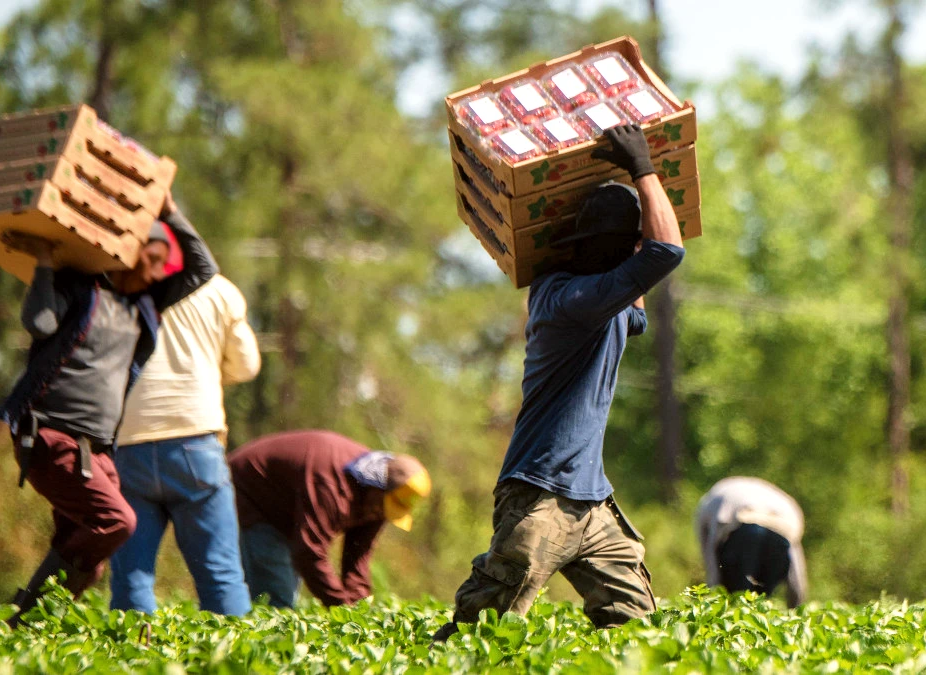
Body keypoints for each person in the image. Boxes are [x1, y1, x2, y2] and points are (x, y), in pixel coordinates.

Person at [434, 124, 685, 642]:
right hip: (540, 498)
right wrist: (642, 166)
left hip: (591, 502)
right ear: (620, 251)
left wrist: (635, 229)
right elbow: (666, 254)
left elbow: (641, 292)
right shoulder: (569, 300)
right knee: (481, 632)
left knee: (638, 628)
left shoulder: (603, 300)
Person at [0, 192, 217, 627]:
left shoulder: (145, 308)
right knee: (116, 522)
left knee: (88, 558)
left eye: (162, 264)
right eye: (151, 258)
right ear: (125, 254)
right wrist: (44, 261)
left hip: (96, 452)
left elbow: (203, 269)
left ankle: (25, 631)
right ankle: (24, 621)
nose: (157, 272)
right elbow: (39, 324)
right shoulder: (80, 289)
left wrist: (171, 210)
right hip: (50, 437)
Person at [107, 260, 262, 616]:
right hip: (194, 440)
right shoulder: (218, 289)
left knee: (132, 576)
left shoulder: (118, 285)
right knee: (220, 574)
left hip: (130, 440)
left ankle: (132, 663)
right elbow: (247, 366)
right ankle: (232, 664)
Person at [227, 430, 431, 608]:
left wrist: (359, 612)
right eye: (384, 506)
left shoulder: (376, 501)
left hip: (288, 514)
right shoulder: (332, 485)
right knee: (277, 600)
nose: (381, 514)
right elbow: (308, 552)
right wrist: (341, 607)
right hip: (250, 494)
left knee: (286, 593)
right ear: (377, 485)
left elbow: (357, 557)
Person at [694, 476, 807, 608]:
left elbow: (710, 547)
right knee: (760, 600)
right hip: (778, 532)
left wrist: (713, 587)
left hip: (744, 529)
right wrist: (797, 605)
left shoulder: (710, 500)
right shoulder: (783, 502)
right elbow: (795, 564)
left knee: (735, 598)